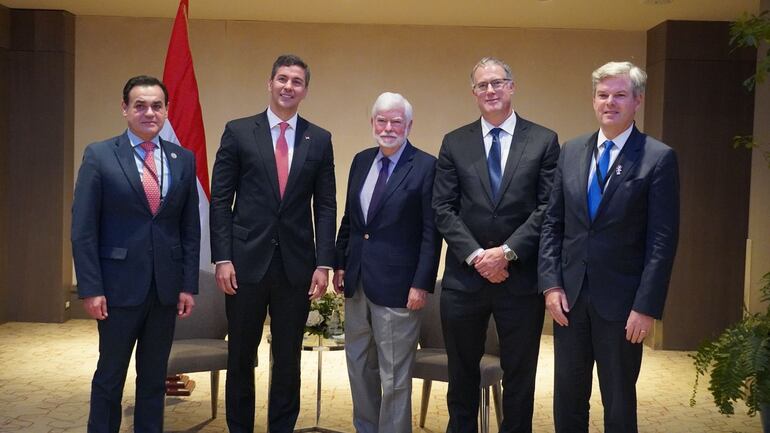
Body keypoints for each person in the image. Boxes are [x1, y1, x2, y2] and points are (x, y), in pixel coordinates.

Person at [538, 61, 679, 433]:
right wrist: (551, 285)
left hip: (622, 304)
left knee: (617, 401)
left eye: (620, 95)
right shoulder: (571, 151)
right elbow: (553, 224)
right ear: (593, 100)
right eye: (603, 95)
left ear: (638, 101)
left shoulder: (657, 157)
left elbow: (662, 240)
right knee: (567, 398)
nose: (610, 103)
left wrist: (646, 306)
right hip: (569, 299)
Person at [209, 54, 336, 433]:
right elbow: (221, 200)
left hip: (296, 267)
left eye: (297, 81)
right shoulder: (238, 131)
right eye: (282, 78)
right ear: (269, 83)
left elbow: (326, 205)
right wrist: (222, 257)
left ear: (305, 90)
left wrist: (324, 262)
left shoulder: (320, 139)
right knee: (240, 357)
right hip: (244, 264)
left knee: (287, 359)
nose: (288, 86)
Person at [432, 57, 560, 433]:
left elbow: (548, 208)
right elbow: (442, 208)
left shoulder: (543, 140)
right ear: (474, 93)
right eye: (482, 85)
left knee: (520, 374)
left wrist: (505, 253)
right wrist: (477, 256)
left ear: (512, 86)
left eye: (497, 83)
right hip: (464, 280)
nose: (490, 90)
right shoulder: (455, 142)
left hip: (519, 280)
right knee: (461, 376)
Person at [71, 75, 200, 433]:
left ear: (166, 111)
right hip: (116, 290)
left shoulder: (182, 159)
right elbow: (83, 229)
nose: (149, 112)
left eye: (157, 105)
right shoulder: (99, 155)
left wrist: (188, 284)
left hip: (164, 290)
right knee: (110, 377)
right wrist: (90, 287)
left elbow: (190, 229)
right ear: (125, 109)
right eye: (140, 105)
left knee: (154, 379)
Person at [333, 92, 441, 433]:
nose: (389, 127)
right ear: (372, 123)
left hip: (400, 289)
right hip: (357, 282)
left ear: (409, 125)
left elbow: (430, 231)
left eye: (396, 121)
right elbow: (350, 220)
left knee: (394, 376)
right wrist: (339, 264)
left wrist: (422, 283)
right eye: (382, 120)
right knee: (358, 365)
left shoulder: (425, 166)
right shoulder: (361, 160)